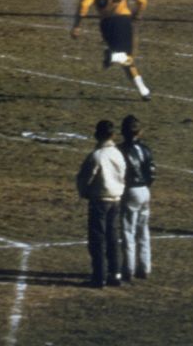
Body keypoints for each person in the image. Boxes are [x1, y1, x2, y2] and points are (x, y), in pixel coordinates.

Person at [71, 0, 152, 101]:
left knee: (128, 61)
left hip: (106, 24)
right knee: (128, 57)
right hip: (123, 21)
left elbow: (84, 5)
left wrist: (77, 25)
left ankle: (144, 91)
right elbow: (142, 1)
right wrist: (137, 16)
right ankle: (114, 57)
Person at [75, 119, 125, 288]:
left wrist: (84, 192)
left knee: (97, 239)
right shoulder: (118, 154)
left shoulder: (96, 156)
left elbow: (85, 178)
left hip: (99, 200)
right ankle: (115, 273)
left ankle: (99, 277)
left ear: (97, 135)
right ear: (113, 135)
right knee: (112, 237)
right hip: (116, 199)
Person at [118, 115, 155, 281]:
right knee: (143, 230)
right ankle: (145, 267)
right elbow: (152, 173)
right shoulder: (145, 149)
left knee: (128, 232)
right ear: (139, 132)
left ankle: (129, 269)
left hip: (130, 191)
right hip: (144, 191)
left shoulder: (120, 150)